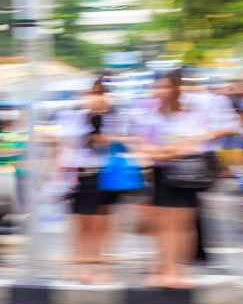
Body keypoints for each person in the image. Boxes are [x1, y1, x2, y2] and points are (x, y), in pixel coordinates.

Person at [134, 70, 209, 288]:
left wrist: (166, 152)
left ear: (177, 88)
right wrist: (163, 153)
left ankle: (181, 269)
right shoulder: (149, 113)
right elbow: (141, 144)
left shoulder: (190, 112)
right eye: (157, 87)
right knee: (164, 223)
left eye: (166, 86)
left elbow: (195, 140)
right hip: (161, 173)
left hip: (187, 171)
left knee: (184, 223)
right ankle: (166, 268)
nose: (161, 91)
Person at [60, 77, 120, 284]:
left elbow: (124, 139)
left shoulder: (115, 117)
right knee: (83, 223)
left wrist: (107, 135)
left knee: (104, 223)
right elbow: (68, 144)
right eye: (92, 92)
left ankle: (102, 267)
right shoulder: (76, 117)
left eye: (100, 92)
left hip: (109, 173)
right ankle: (81, 267)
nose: (96, 97)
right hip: (83, 172)